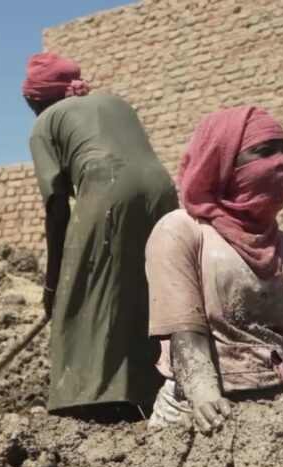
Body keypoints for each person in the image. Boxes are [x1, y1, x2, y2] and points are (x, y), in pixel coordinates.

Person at [145, 106, 283, 434]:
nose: (282, 163)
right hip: (197, 416)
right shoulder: (181, 231)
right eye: (263, 152)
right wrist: (205, 396)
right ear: (222, 162)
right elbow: (185, 332)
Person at [23, 53, 177, 421]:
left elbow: (57, 207)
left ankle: (86, 403)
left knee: (81, 295)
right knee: (145, 289)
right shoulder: (115, 103)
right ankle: (154, 390)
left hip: (108, 185)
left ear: (34, 99)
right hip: (164, 191)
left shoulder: (45, 122)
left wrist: (53, 285)